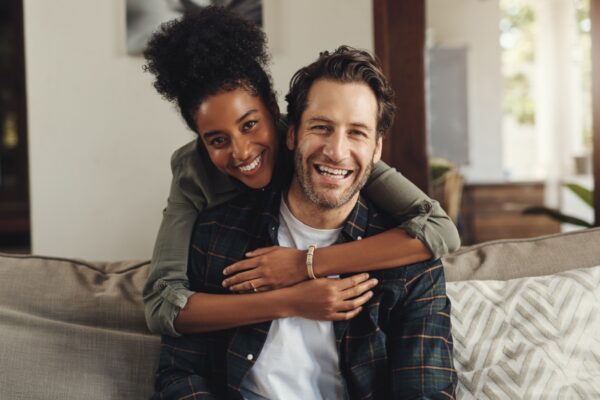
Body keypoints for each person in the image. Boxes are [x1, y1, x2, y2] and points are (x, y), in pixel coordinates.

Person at [153, 46, 457, 399]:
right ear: (292, 133)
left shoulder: (411, 265)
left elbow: (426, 392)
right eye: (321, 127)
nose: (337, 151)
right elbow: (178, 372)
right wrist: (290, 300)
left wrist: (305, 264)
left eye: (357, 133)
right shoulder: (216, 236)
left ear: (377, 150)